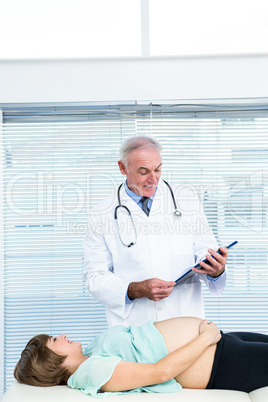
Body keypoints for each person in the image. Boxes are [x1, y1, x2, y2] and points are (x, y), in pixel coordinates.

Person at [83, 136, 229, 327]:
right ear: (122, 168)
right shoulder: (101, 214)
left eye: (158, 169)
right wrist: (134, 289)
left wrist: (215, 269)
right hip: (135, 328)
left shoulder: (187, 200)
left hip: (185, 320)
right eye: (143, 172)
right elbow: (94, 277)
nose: (153, 179)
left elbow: (204, 250)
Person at [14, 316, 268, 398]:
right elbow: (160, 373)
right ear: (53, 361)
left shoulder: (90, 355)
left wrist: (212, 336)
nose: (63, 335)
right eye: (55, 341)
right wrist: (206, 338)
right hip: (222, 362)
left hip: (222, 342)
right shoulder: (94, 372)